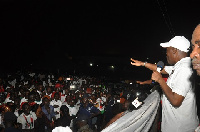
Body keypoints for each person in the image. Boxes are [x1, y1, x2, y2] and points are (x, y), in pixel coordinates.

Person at [131, 36, 199, 132]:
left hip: (180, 128)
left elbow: (176, 101)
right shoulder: (180, 66)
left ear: (174, 50)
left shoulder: (184, 69)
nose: (166, 54)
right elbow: (163, 70)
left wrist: (160, 80)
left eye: (167, 50)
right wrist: (143, 64)